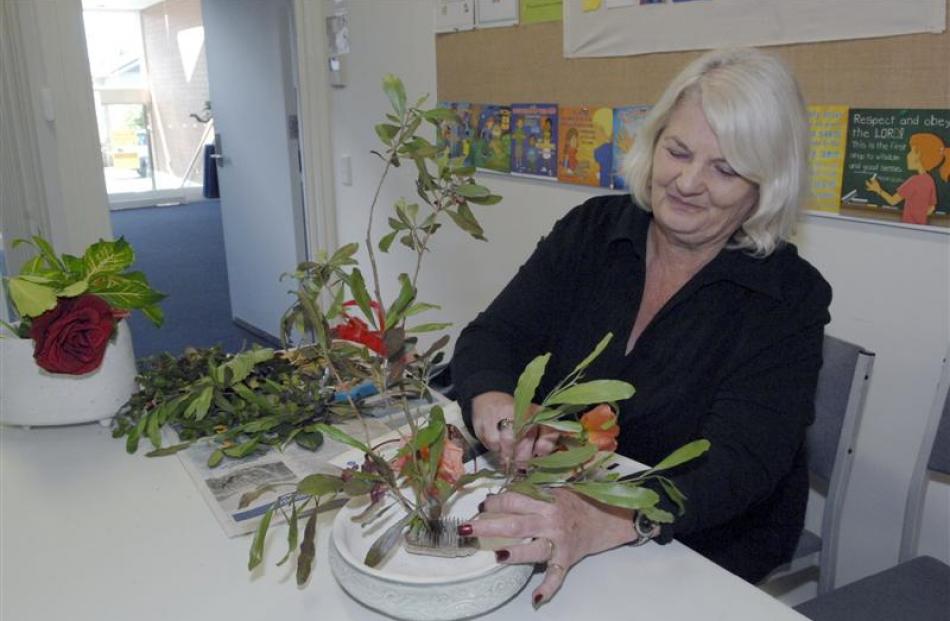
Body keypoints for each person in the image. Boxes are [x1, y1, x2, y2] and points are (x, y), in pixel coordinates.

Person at [451, 47, 832, 608]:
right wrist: (501, 413)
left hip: (701, 536)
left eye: (725, 169)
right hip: (566, 492)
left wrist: (611, 514)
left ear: (764, 186)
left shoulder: (788, 295)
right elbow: (494, 336)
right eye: (677, 151)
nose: (687, 182)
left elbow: (737, 464)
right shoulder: (591, 231)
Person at [865, 132, 949, 225]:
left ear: (919, 155)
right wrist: (919, 215)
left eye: (911, 151)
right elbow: (932, 207)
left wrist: (878, 190)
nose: (907, 155)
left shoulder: (914, 181)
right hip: (922, 226)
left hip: (909, 226)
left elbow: (893, 201)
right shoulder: (930, 180)